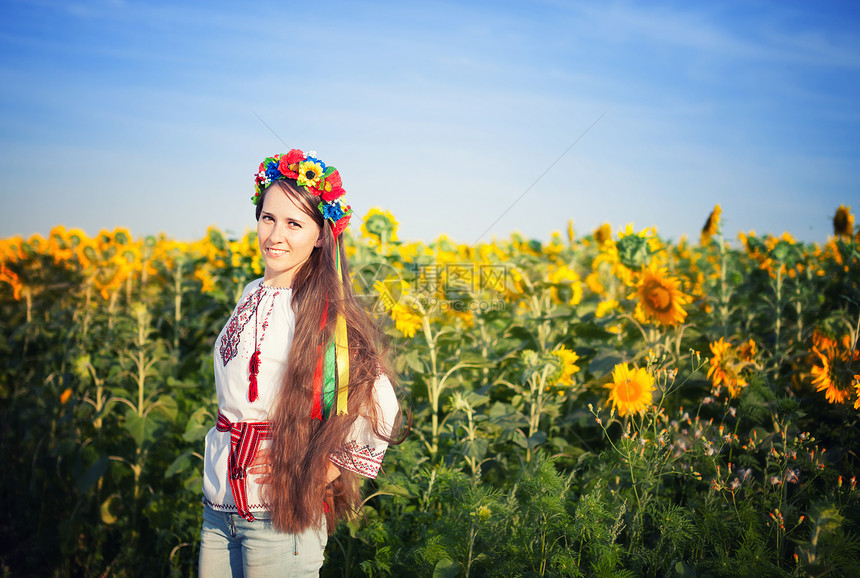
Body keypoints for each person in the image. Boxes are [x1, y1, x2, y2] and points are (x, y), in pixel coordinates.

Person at [198, 149, 406, 577]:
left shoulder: (324, 311)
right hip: (219, 512)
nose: (275, 234)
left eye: (294, 223)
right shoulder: (251, 292)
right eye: (268, 218)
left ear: (319, 235)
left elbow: (380, 401)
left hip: (280, 517)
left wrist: (318, 472)